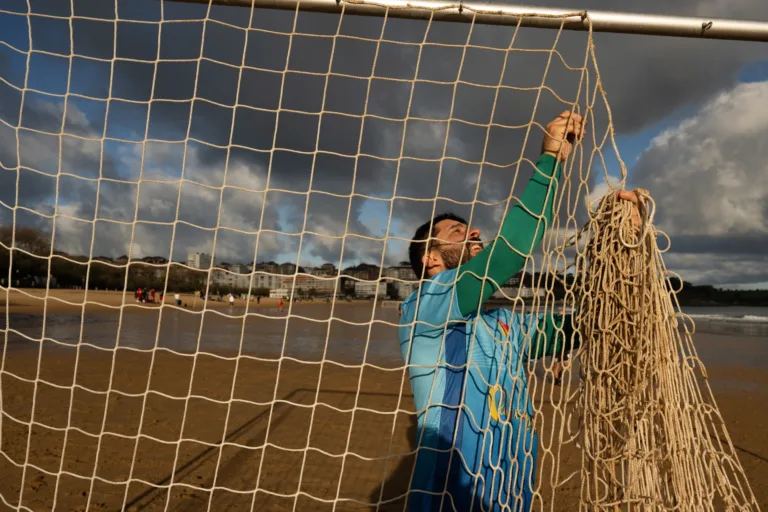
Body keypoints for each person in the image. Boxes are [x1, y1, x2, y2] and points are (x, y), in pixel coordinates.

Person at [398, 111, 645, 511]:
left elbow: (588, 325)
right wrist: (551, 161)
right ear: (430, 258)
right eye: (457, 232)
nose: (474, 230)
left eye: (470, 228)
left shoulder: (504, 324)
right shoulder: (425, 306)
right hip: (451, 497)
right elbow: (510, 252)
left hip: (513, 493)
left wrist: (620, 246)